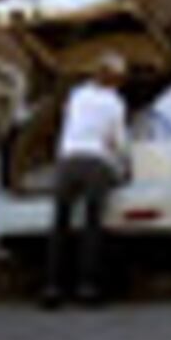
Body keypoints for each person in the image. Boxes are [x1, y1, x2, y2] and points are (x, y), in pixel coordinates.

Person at [43, 56, 131, 309]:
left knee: (60, 224)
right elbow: (119, 141)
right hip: (96, 163)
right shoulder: (115, 102)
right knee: (92, 226)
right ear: (115, 78)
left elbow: (66, 123)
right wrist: (125, 166)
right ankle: (87, 288)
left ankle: (52, 288)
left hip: (68, 160)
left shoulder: (77, 95)